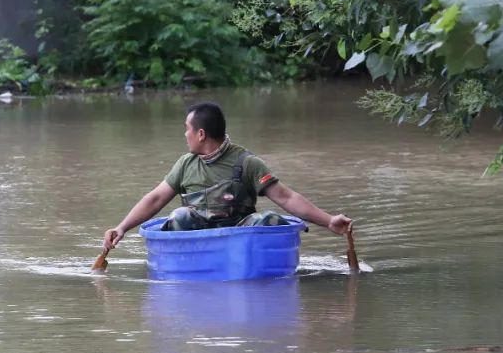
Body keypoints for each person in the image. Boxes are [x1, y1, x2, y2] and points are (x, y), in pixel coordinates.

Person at [103, 102, 352, 251]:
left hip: (240, 240)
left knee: (271, 220)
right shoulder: (185, 164)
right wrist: (122, 227)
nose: (184, 135)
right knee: (179, 216)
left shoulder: (248, 163)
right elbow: (156, 199)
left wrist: (329, 221)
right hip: (198, 244)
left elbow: (286, 198)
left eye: (186, 130)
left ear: (201, 134)